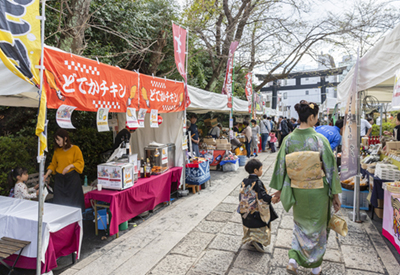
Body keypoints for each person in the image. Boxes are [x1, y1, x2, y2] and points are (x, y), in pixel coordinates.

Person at [270, 100, 341, 275]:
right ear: (311, 117)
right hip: (318, 190)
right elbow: (331, 168)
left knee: (300, 225)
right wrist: (336, 195)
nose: (316, 120)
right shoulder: (319, 140)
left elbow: (281, 167)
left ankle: (293, 260)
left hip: (297, 189)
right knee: (318, 226)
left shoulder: (288, 140)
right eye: (316, 117)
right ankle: (316, 267)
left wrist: (279, 190)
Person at [238, 159, 278, 252]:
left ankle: (251, 239)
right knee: (260, 224)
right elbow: (262, 195)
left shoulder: (245, 181)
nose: (262, 171)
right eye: (261, 169)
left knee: (249, 224)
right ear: (255, 171)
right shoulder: (257, 182)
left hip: (245, 208)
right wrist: (271, 199)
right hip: (255, 209)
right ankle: (258, 241)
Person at [44, 129, 85, 212]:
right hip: (59, 181)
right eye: (56, 140)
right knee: (59, 203)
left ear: (65, 138)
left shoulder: (75, 149)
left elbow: (80, 162)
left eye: (59, 139)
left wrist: (69, 166)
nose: (57, 142)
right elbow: (53, 164)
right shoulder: (57, 151)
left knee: (74, 204)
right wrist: (46, 175)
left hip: (72, 180)